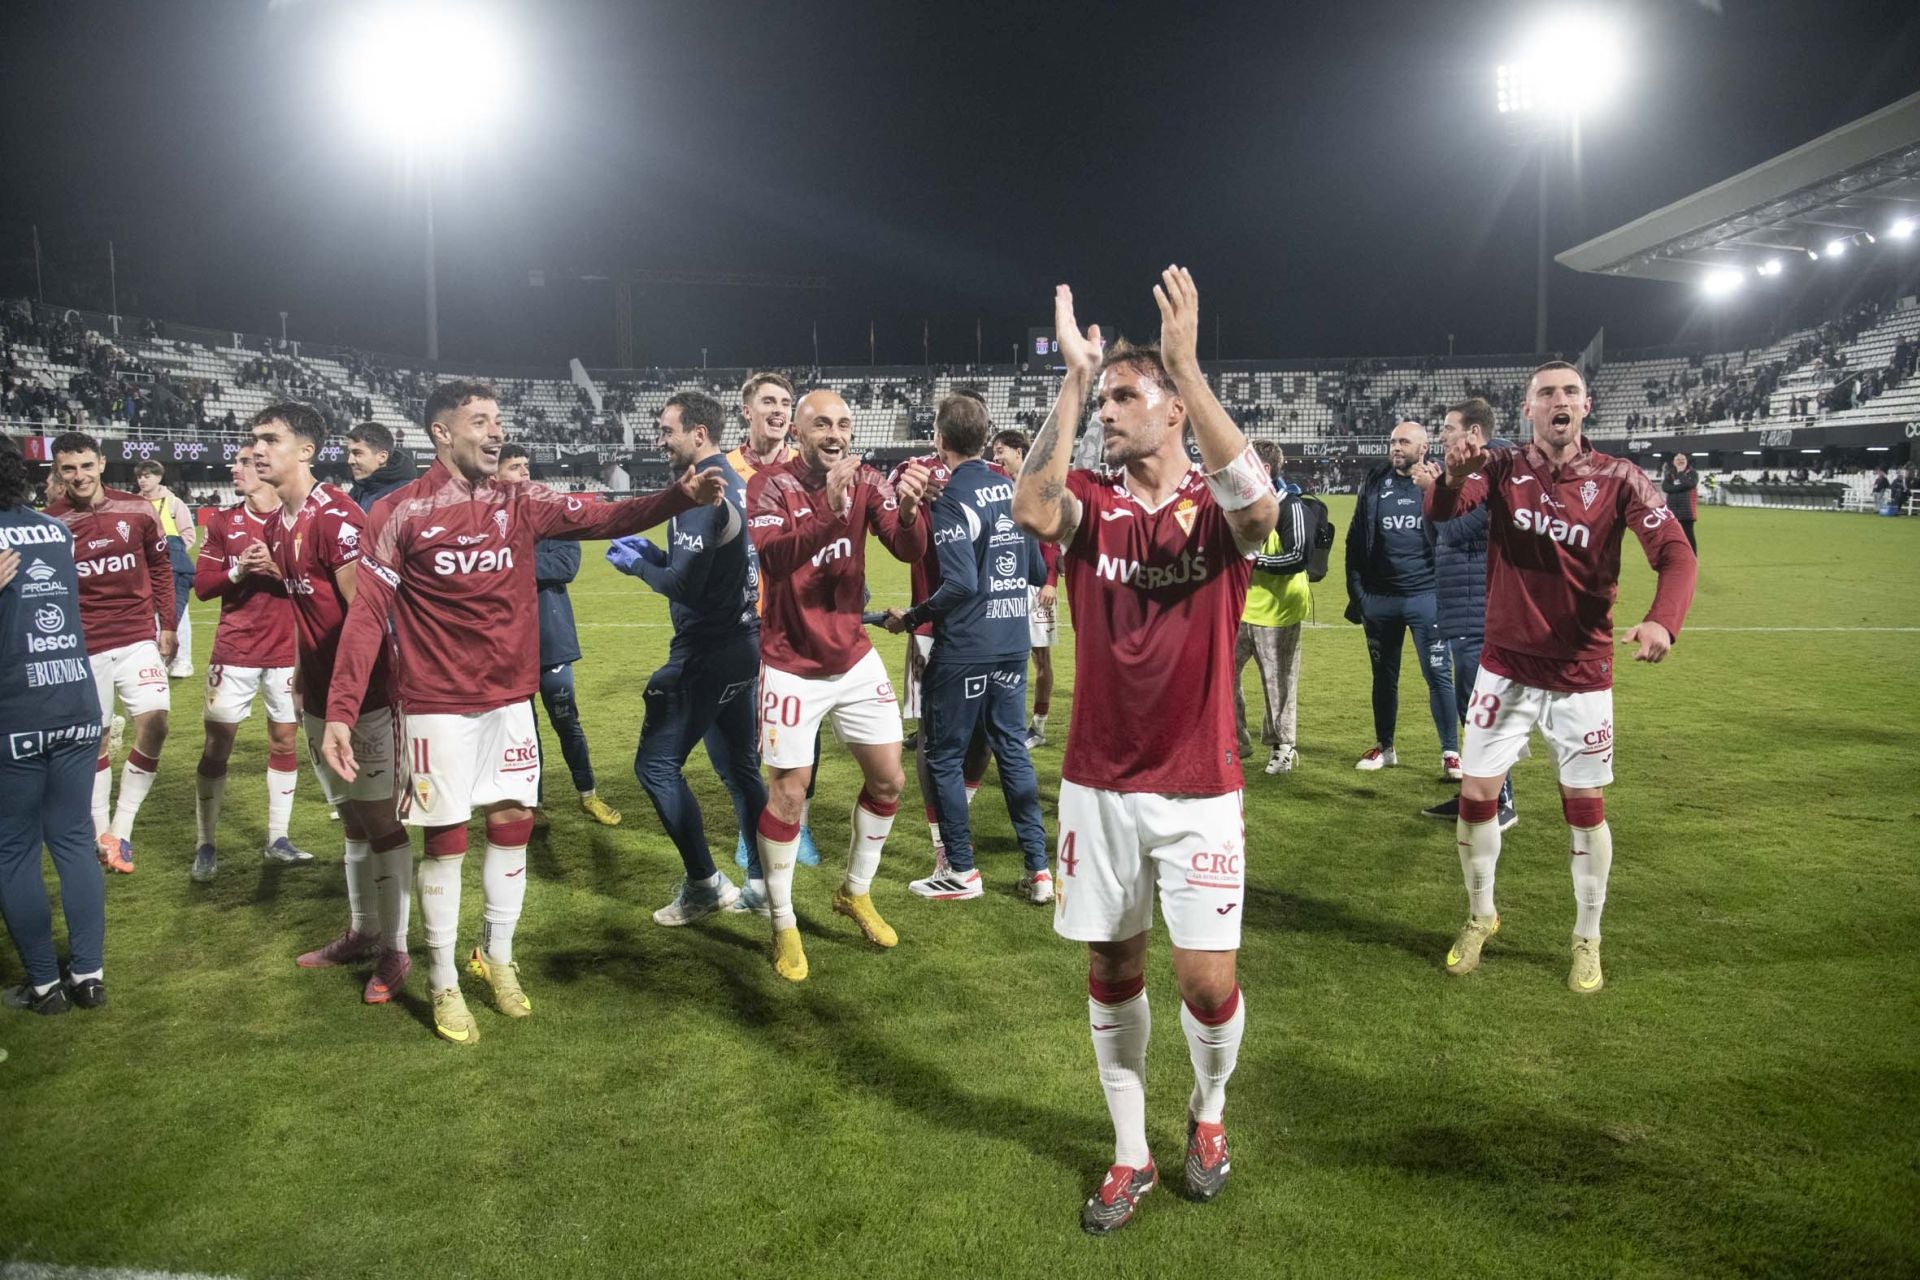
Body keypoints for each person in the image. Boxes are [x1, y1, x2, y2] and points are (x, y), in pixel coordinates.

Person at [321, 380, 724, 1045]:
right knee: (446, 840)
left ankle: (496, 957)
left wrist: (679, 496)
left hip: (510, 702)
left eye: (499, 419)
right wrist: (342, 709)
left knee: (513, 824)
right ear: (442, 433)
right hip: (435, 707)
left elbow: (605, 517)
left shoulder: (522, 501)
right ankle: (445, 979)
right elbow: (366, 614)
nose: (496, 430)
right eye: (481, 420)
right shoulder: (398, 512)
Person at [1012, 269, 1277, 1234]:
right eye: (1108, 399)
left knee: (1207, 982)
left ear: (1171, 414)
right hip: (1097, 785)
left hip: (1201, 783)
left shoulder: (1213, 509)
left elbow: (1263, 518)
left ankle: (1208, 1115)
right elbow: (1031, 512)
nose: (1113, 413)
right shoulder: (1089, 501)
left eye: (1129, 396)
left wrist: (1187, 368)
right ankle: (1132, 1154)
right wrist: (1076, 380)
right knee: (1113, 970)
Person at [1426, 360, 1697, 994]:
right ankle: (1479, 915)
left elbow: (1676, 553)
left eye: (1569, 391)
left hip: (1581, 673)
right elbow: (1442, 508)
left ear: (1586, 405)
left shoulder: (1620, 478)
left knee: (1583, 810)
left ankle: (1587, 937)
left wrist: (1663, 621)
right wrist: (1455, 473)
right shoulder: (1498, 467)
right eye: (1546, 392)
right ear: (1528, 410)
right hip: (1505, 669)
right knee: (1474, 800)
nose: (1558, 400)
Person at [745, 387, 932, 982]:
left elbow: (906, 548)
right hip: (790, 663)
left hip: (852, 658)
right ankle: (783, 922)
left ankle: (854, 891)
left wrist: (906, 512)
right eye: (821, 424)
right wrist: (827, 506)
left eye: (844, 424)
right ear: (798, 432)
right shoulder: (771, 486)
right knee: (789, 795)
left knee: (890, 778)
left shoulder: (868, 479)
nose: (835, 434)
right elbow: (773, 561)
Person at [251, 405, 414, 1004]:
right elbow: (305, 611)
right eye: (255, 441)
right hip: (318, 697)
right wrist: (300, 674)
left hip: (365, 699)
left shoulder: (337, 519)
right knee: (350, 818)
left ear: (306, 449)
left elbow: (368, 618)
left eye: (271, 440)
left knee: (379, 820)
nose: (258, 451)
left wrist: (346, 704)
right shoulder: (280, 522)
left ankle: (396, 949)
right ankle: (362, 930)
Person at [605, 392, 768, 924]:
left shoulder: (702, 491)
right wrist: (654, 554)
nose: (660, 438)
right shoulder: (736, 481)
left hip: (708, 651)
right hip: (743, 643)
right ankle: (767, 885)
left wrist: (638, 568)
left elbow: (685, 588)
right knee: (740, 767)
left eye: (667, 428)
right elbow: (702, 569)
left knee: (654, 765)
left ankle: (705, 885)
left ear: (699, 433)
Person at [882, 394, 1049, 902]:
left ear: (939, 438)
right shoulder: (1011, 488)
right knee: (1012, 752)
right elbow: (1038, 572)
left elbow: (959, 585)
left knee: (943, 757)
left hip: (965, 647)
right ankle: (1040, 871)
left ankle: (961, 870)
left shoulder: (954, 497)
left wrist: (911, 617)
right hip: (1011, 643)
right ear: (986, 437)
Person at [0, 435, 107, 1015]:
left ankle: (44, 985)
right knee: (72, 840)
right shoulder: (54, 529)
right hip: (74, 702)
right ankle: (88, 976)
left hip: (12, 711)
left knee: (13, 850)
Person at [46, 432, 175, 874]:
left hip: (137, 637)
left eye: (86, 465)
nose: (79, 476)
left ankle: (121, 827)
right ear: (58, 472)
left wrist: (169, 624)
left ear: (101, 463)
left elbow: (160, 566)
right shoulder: (52, 524)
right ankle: (104, 836)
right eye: (69, 468)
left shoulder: (136, 510)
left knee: (156, 723)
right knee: (95, 740)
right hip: (84, 646)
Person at [189, 450, 310, 882]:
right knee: (217, 745)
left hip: (286, 651)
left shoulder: (300, 520)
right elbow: (202, 587)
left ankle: (278, 838)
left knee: (283, 742)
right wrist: (239, 572)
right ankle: (206, 843)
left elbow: (317, 583)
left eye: (242, 462)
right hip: (234, 651)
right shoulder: (222, 523)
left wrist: (279, 571)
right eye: (235, 462)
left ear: (262, 470)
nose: (234, 469)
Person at [723, 370, 820, 869]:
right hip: (741, 620)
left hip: (799, 617)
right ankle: (750, 828)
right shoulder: (726, 470)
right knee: (747, 734)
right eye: (768, 401)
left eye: (785, 401)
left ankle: (796, 823)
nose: (779, 409)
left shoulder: (807, 467)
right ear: (747, 410)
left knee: (805, 731)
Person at [496, 445, 621, 828]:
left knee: (567, 721)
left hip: (551, 640)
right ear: (496, 474)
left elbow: (565, 565)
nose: (524, 474)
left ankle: (588, 795)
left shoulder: (553, 511)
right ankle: (532, 805)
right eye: (515, 468)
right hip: (507, 644)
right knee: (523, 731)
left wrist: (506, 560)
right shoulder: (488, 518)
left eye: (526, 467)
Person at [1412, 398, 1517, 829]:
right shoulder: (1468, 475)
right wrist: (1440, 491)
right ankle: (1476, 794)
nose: (1442, 435)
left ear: (1474, 433)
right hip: (1461, 604)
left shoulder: (1501, 476)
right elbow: (1436, 533)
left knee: (1485, 709)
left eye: (1449, 427)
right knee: (1471, 708)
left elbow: (1454, 531)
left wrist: (1433, 489)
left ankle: (1501, 800)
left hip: (1483, 608)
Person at [1343, 420, 1458, 778]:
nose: (1395, 447)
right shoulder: (1376, 482)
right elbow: (1355, 539)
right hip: (1381, 600)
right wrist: (1359, 595)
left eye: (1404, 442)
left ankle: (1451, 753)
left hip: (1427, 598)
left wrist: (1439, 489)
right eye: (1392, 441)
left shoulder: (1441, 484)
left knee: (1439, 675)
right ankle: (1385, 747)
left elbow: (1454, 537)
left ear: (1423, 448)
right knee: (1383, 677)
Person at [1233, 441, 1310, 776]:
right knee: (1222, 676)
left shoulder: (1290, 506)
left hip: (1278, 613)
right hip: (1239, 610)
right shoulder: (1239, 505)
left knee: (1278, 684)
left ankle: (1283, 748)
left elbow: (1298, 556)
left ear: (1264, 469)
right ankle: (1236, 740)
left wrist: (1252, 561)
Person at [993, 428, 1061, 748]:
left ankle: (1039, 726)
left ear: (1019, 452)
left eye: (1001, 450)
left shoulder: (1038, 483)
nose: (996, 457)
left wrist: (1050, 582)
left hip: (1037, 585)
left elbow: (1053, 535)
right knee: (1009, 655)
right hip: (1009, 582)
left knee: (1040, 659)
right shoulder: (1004, 486)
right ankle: (1007, 722)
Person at [133, 460, 198, 678]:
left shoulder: (173, 503)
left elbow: (188, 534)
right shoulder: (133, 503)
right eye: (140, 476)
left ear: (159, 477)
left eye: (147, 476)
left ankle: (183, 661)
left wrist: (171, 555)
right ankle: (158, 659)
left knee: (178, 612)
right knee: (149, 613)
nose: (143, 480)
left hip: (173, 565)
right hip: (144, 566)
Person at [345, 421, 414, 512]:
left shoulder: (407, 495)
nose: (350, 461)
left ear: (382, 457)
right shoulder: (356, 492)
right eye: (348, 453)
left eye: (357, 454)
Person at [1662, 453, 1699, 552]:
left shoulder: (1692, 473)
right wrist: (1681, 487)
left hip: (1687, 512)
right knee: (1672, 537)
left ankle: (1693, 559)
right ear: (1673, 462)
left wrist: (1680, 472)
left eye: (1682, 459)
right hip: (1672, 512)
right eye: (1677, 459)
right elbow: (1665, 488)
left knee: (1689, 537)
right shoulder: (1670, 474)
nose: (1680, 460)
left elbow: (1689, 484)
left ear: (1686, 461)